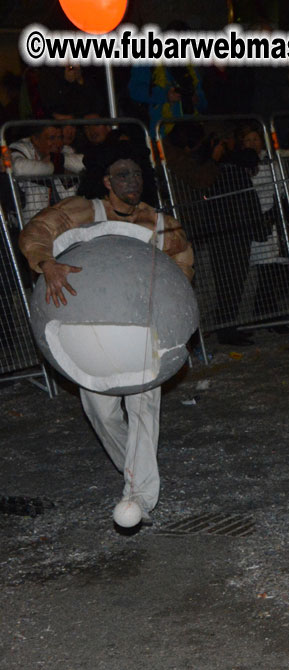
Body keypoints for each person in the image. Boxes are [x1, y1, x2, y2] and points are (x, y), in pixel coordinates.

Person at [18, 141, 194, 528]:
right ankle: (134, 469)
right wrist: (46, 263)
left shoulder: (159, 223)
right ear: (105, 180)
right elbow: (37, 230)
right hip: (94, 336)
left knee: (143, 409)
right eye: (122, 175)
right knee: (101, 413)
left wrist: (173, 306)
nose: (132, 182)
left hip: (145, 334)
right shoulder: (83, 212)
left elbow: (183, 266)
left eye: (136, 174)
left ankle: (139, 497)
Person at [9, 123, 84, 225]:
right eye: (52, 138)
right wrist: (51, 167)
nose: (57, 143)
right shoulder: (21, 148)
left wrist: (59, 159)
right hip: (32, 224)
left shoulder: (65, 150)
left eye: (60, 137)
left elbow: (86, 163)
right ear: (35, 140)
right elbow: (19, 168)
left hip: (66, 221)